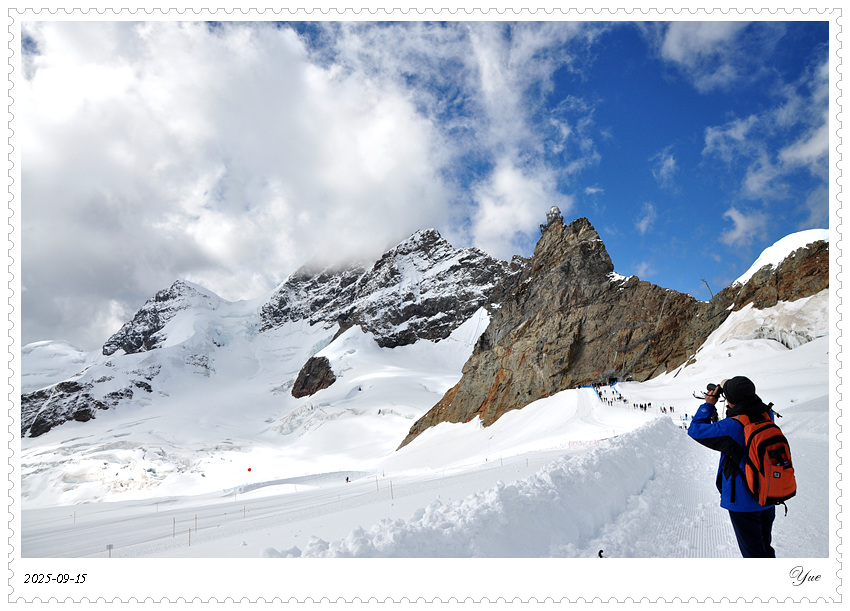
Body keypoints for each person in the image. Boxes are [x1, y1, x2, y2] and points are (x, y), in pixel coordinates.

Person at [687, 376, 777, 558]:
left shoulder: (731, 426)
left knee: (753, 554)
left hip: (743, 500)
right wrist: (729, 391)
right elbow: (745, 400)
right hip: (769, 492)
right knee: (765, 547)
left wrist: (709, 405)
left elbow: (695, 430)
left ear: (730, 400)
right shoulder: (767, 414)